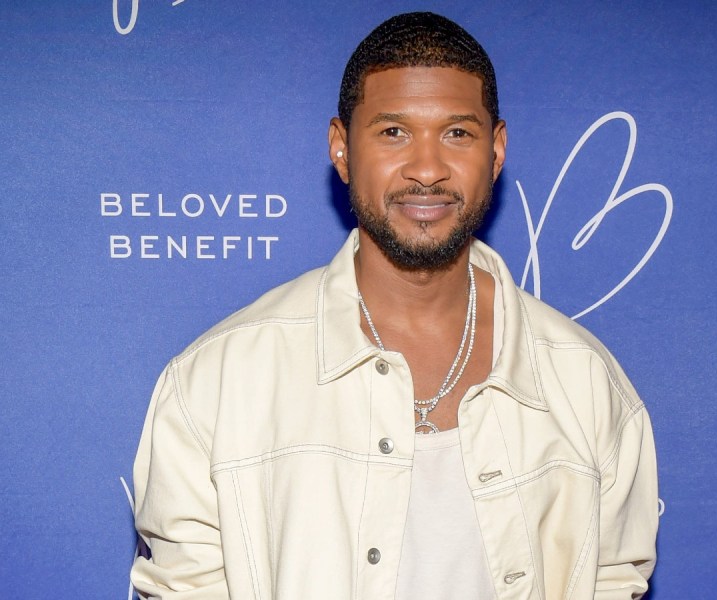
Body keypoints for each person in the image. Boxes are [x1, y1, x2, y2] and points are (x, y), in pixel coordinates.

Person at [131, 11, 658, 600]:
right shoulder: (218, 380)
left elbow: (614, 578)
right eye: (393, 132)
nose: (427, 169)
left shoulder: (586, 381)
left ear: (497, 149)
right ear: (341, 147)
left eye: (458, 132)